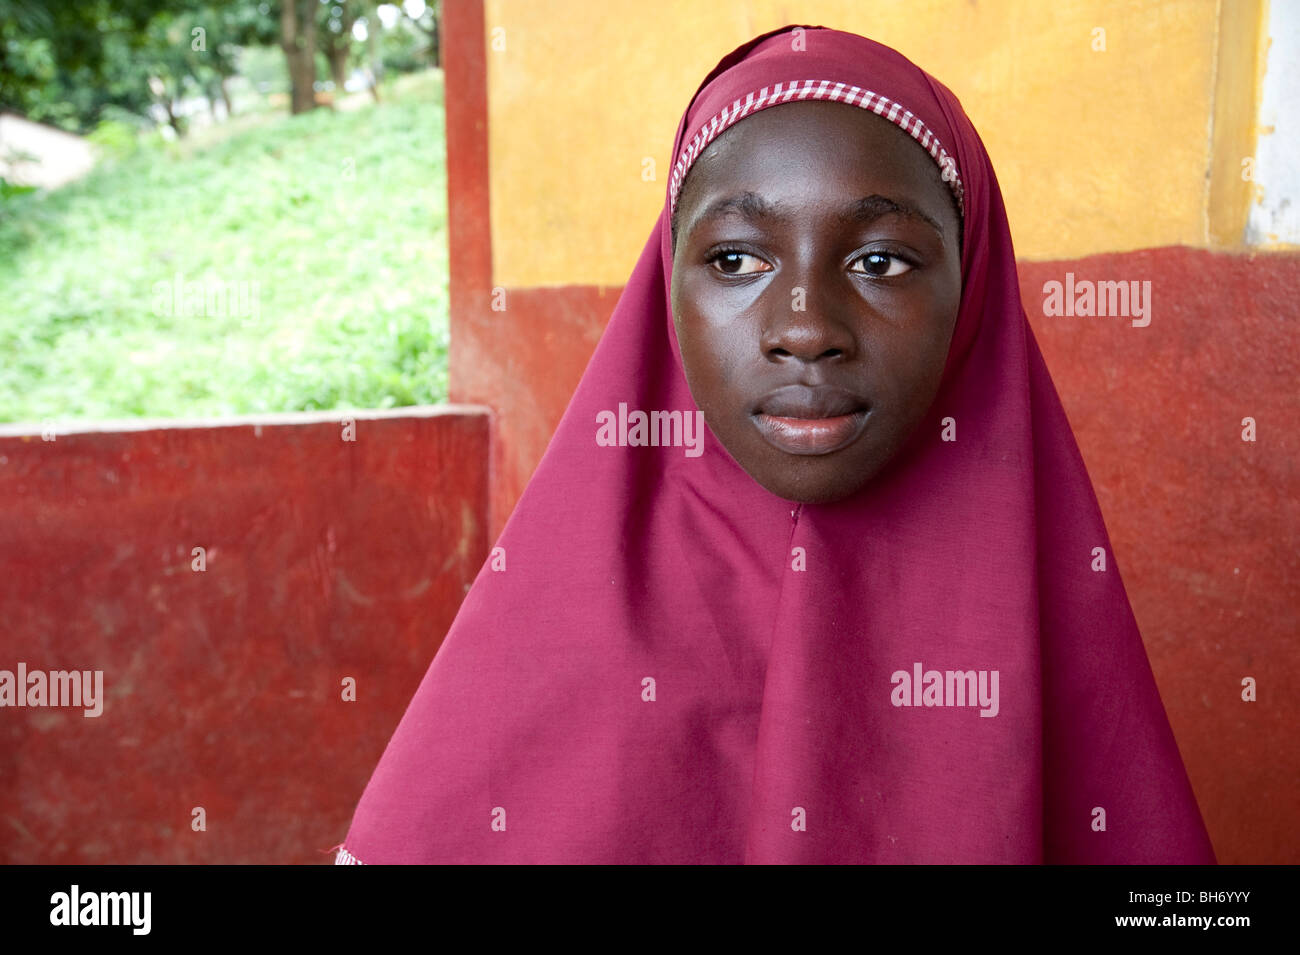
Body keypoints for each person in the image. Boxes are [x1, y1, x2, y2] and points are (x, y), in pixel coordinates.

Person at [333, 24, 1216, 864]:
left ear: (973, 283)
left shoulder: (1051, 622)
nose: (805, 327)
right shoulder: (548, 646)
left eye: (879, 261)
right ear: (665, 291)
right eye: (735, 261)